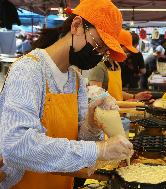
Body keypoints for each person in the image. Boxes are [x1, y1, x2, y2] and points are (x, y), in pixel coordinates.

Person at [0, 0, 133, 188]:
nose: (97, 55)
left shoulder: (75, 79)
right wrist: (99, 149)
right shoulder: (28, 71)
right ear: (77, 25)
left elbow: (76, 144)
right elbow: (16, 146)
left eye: (103, 52)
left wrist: (91, 126)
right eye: (98, 44)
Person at [88, 29, 151, 101]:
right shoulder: (99, 66)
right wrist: (125, 103)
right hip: (105, 111)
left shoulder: (116, 64)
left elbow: (117, 93)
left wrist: (134, 96)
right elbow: (95, 98)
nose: (126, 55)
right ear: (116, 45)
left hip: (117, 110)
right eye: (126, 51)